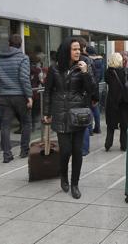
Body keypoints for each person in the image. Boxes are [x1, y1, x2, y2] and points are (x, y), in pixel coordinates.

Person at [43, 37, 96, 199]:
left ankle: (75, 184)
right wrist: (47, 112)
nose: (78, 52)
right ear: (67, 50)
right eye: (74, 49)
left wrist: (86, 73)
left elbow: (93, 90)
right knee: (65, 150)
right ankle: (64, 176)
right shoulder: (54, 69)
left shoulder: (83, 67)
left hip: (78, 114)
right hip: (60, 113)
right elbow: (48, 91)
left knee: (77, 151)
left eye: (79, 49)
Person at [0, 34, 33, 163]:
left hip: (4, 96)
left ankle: (7, 154)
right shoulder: (23, 58)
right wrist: (29, 96)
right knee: (26, 123)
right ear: (21, 44)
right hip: (20, 95)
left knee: (5, 125)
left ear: (9, 43)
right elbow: (24, 78)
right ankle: (24, 150)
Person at [104, 52, 128, 151]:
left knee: (110, 125)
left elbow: (107, 81)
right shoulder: (126, 71)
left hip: (111, 101)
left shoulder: (107, 72)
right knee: (124, 125)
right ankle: (124, 145)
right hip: (124, 101)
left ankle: (108, 144)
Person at [86, 45, 104, 134]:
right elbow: (101, 76)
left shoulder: (88, 61)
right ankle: (98, 127)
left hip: (89, 86)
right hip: (96, 86)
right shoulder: (100, 61)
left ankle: (89, 129)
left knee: (88, 108)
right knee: (95, 107)